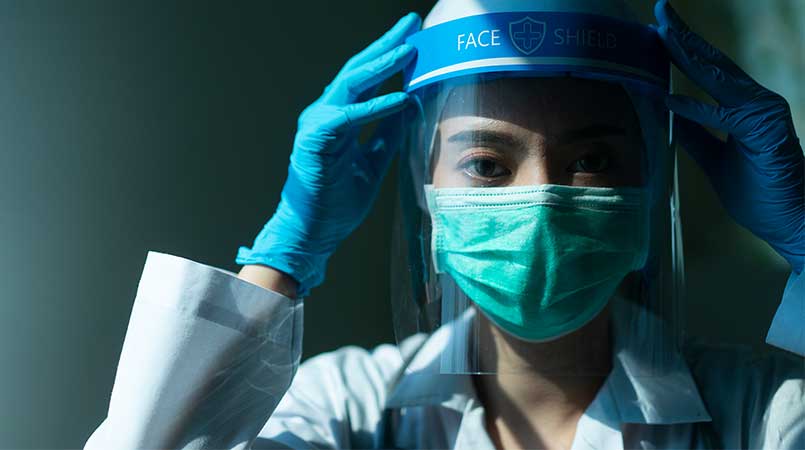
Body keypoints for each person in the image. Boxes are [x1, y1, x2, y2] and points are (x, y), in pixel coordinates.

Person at [84, 0, 804, 449]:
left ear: (646, 180)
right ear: (426, 191)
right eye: (486, 164)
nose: (541, 200)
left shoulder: (761, 409)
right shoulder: (343, 409)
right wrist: (282, 256)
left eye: (590, 159)